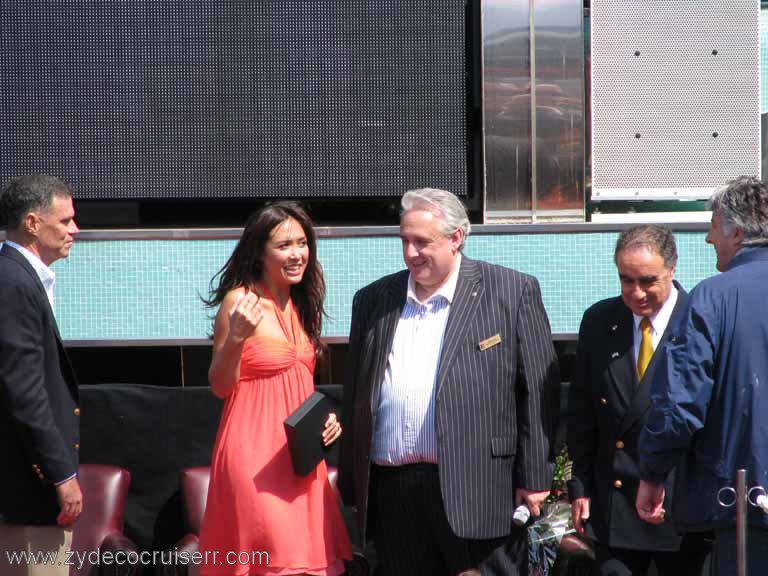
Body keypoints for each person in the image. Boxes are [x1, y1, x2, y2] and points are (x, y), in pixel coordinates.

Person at [339, 187, 560, 575]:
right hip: (395, 494)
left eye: (422, 242)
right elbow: (356, 393)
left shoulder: (511, 291)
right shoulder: (373, 300)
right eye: (405, 241)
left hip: (478, 486)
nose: (411, 253)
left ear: (456, 237)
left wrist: (535, 476)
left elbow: (538, 392)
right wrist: (354, 487)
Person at [198, 202, 351, 575]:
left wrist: (328, 421)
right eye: (284, 245)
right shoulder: (240, 301)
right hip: (254, 457)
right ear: (259, 251)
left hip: (300, 457)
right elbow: (220, 385)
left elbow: (299, 387)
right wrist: (235, 337)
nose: (297, 253)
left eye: (302, 243)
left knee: (307, 562)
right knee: (269, 558)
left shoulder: (302, 306)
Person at [636, 176, 768, 575]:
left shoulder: (712, 297)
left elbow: (679, 405)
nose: (710, 239)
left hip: (745, 505)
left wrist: (653, 475)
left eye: (713, 226)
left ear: (738, 232)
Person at [567, 225, 711, 576]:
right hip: (615, 505)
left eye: (648, 280)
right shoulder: (600, 320)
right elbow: (582, 412)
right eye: (626, 280)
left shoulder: (700, 320)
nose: (637, 292)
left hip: (680, 504)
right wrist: (580, 486)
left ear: (672, 269)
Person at [0, 175, 82, 576]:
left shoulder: (21, 277)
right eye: (65, 221)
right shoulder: (12, 281)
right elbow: (25, 390)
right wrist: (61, 473)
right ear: (33, 223)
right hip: (26, 494)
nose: (75, 230)